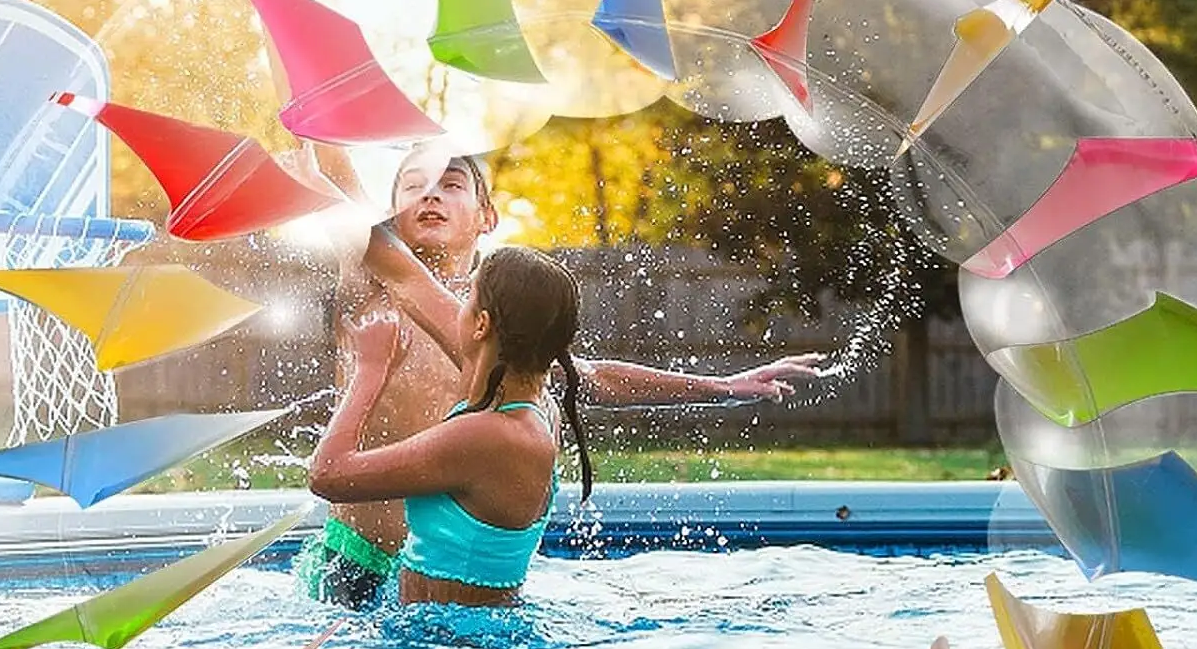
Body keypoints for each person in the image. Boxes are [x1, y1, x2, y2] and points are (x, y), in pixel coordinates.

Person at [295, 144, 826, 607]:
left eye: (449, 184)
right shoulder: (402, 297)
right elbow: (333, 163)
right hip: (363, 562)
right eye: (414, 186)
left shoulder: (487, 339)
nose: (430, 196)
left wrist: (724, 388)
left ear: (487, 217)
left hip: (436, 584)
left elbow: (591, 376)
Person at [308, 240, 587, 607]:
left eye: (467, 294)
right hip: (474, 639)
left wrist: (370, 371)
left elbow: (328, 475)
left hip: (448, 645)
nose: (458, 306)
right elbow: (408, 276)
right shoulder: (535, 411)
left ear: (481, 324)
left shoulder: (486, 436)